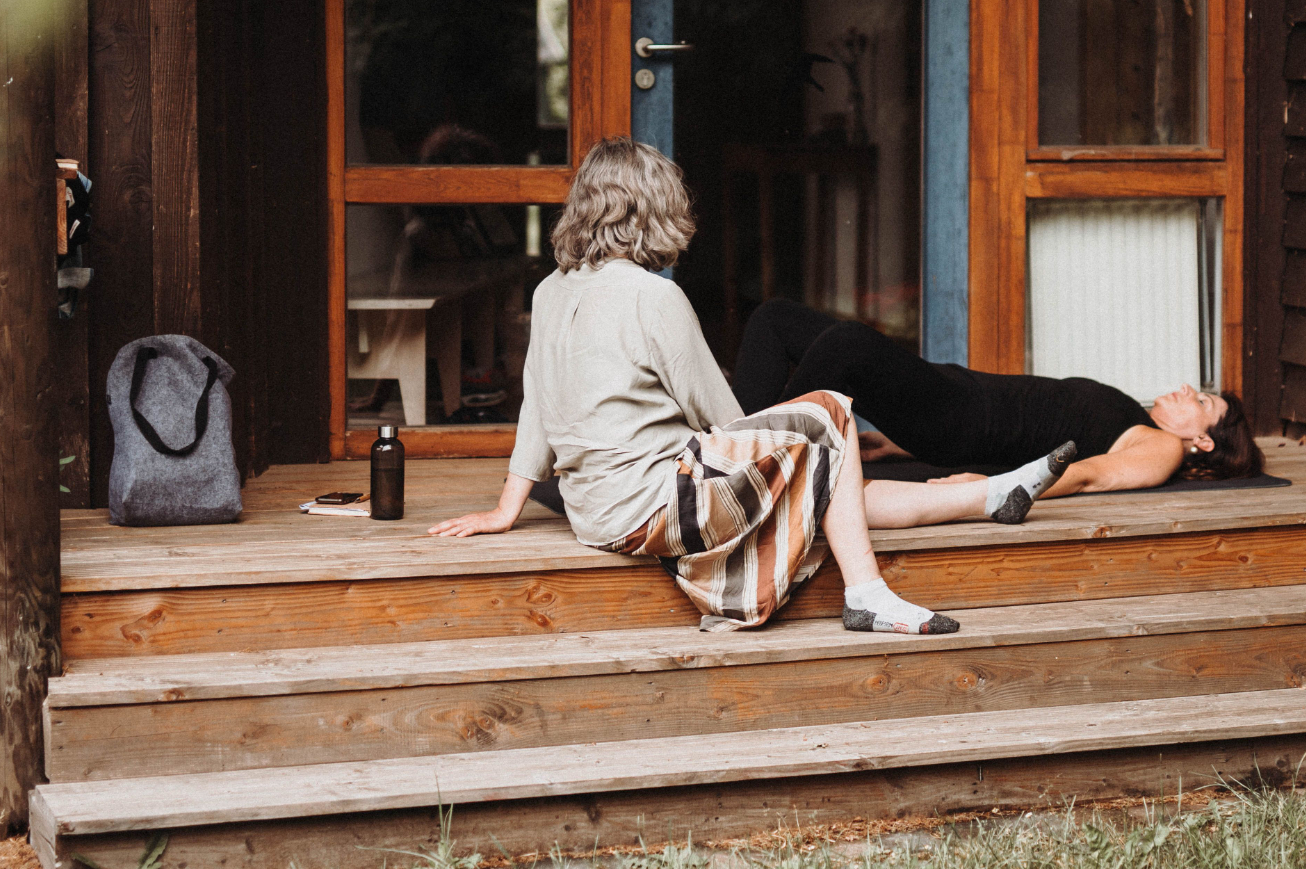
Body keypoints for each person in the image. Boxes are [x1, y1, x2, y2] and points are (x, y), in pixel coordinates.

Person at [427, 139, 1069, 635]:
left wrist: (506, 508)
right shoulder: (654, 298)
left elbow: (536, 406)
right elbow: (721, 416)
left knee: (825, 475)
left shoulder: (548, 290)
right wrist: (787, 446)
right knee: (831, 414)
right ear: (653, 210)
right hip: (659, 505)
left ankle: (993, 495)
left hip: (596, 516)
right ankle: (867, 595)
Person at [730, 299, 1263, 498]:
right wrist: (899, 446)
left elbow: (1085, 476)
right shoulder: (1132, 414)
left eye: (1204, 403)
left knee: (847, 344)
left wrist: (988, 489)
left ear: (1202, 441)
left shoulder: (1162, 447)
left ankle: (744, 466)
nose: (1189, 390)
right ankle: (732, 447)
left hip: (959, 418)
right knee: (776, 320)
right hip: (951, 394)